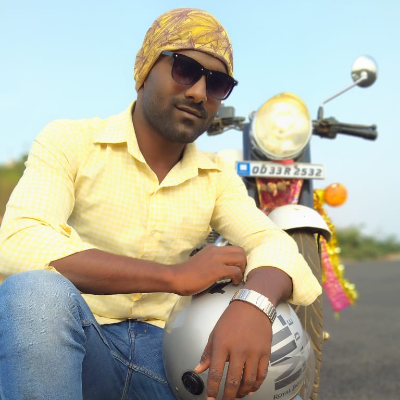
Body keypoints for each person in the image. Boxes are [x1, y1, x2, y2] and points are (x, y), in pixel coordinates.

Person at [0, 7, 321, 400]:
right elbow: (19, 241)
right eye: (185, 69)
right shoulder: (71, 141)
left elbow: (272, 242)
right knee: (33, 292)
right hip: (78, 350)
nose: (198, 92)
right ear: (144, 70)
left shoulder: (217, 176)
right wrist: (173, 277)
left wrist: (253, 305)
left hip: (171, 364)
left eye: (217, 83)